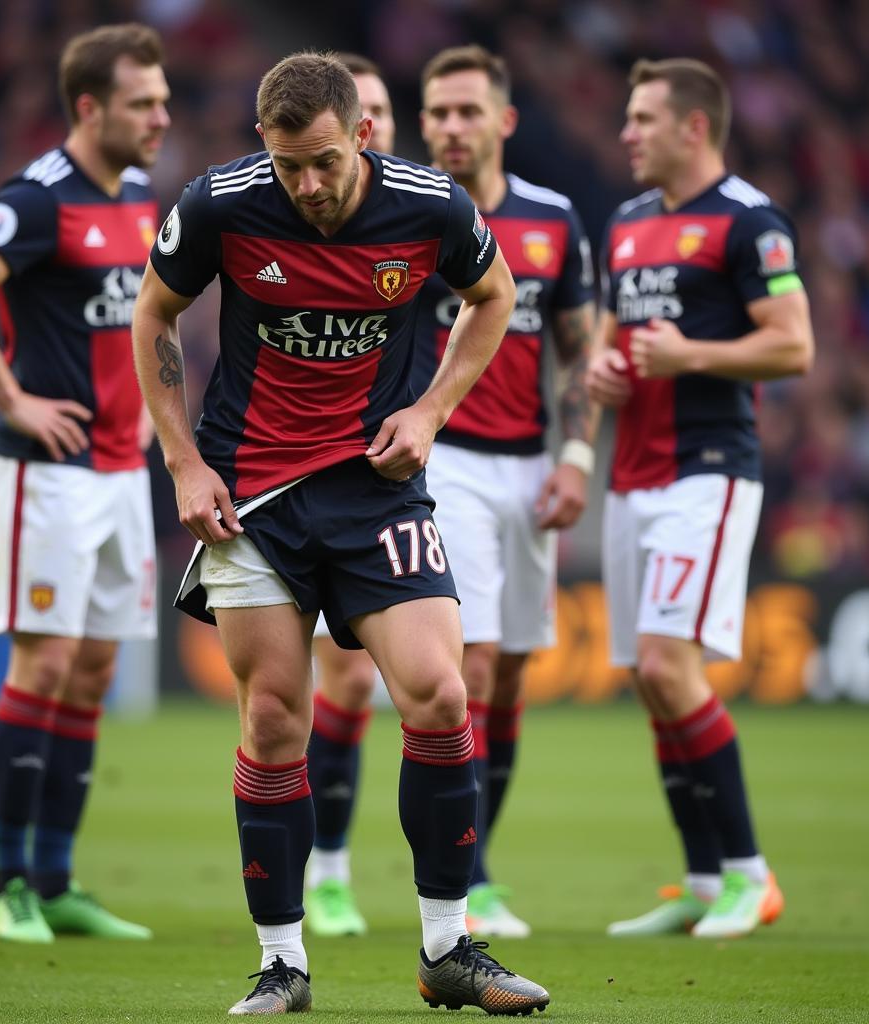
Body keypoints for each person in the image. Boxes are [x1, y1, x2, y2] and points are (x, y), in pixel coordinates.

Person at [131, 52, 550, 1016]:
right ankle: (283, 964)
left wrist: (434, 412)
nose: (306, 187)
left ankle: (448, 949)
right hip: (256, 500)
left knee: (443, 696)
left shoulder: (432, 207)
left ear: (363, 134)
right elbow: (155, 310)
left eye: (322, 162)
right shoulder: (219, 204)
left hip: (376, 493)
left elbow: (495, 298)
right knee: (277, 719)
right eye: (287, 167)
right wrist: (184, 463)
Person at [306, 44, 597, 941]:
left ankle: (480, 866)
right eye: (436, 114)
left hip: (530, 462)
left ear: (503, 121)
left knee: (507, 676)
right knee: (454, 675)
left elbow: (579, 344)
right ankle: (358, 874)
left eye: (467, 112)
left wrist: (578, 453)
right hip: (442, 458)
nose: (450, 128)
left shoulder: (554, 222)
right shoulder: (406, 214)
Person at [0, 23, 170, 944]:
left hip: (117, 467)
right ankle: (9, 881)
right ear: (89, 107)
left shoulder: (143, 200)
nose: (161, 117)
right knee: (47, 662)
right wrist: (13, 397)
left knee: (98, 666)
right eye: (143, 102)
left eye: (163, 99)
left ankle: (60, 879)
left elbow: (152, 316)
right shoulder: (37, 200)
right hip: (47, 473)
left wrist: (153, 406)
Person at [585, 57, 813, 938]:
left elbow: (794, 348)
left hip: (707, 471)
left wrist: (692, 358)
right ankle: (701, 878)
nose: (626, 133)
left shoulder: (750, 222)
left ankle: (753, 877)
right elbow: (616, 339)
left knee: (670, 667)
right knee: (650, 676)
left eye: (642, 118)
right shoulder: (629, 224)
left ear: (693, 127)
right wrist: (608, 370)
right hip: (633, 474)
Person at [304, 53, 395, 940]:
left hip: (446, 466)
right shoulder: (313, 221)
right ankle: (328, 871)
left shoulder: (428, 217)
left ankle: (470, 879)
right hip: (341, 475)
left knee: (461, 682)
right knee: (348, 679)